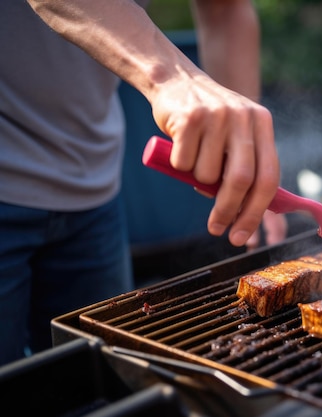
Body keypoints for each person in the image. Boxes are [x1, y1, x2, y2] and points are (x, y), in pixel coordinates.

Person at [0, 0, 287, 366]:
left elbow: (224, 8)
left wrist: (246, 156)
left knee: (102, 383)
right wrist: (171, 76)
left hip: (93, 181)